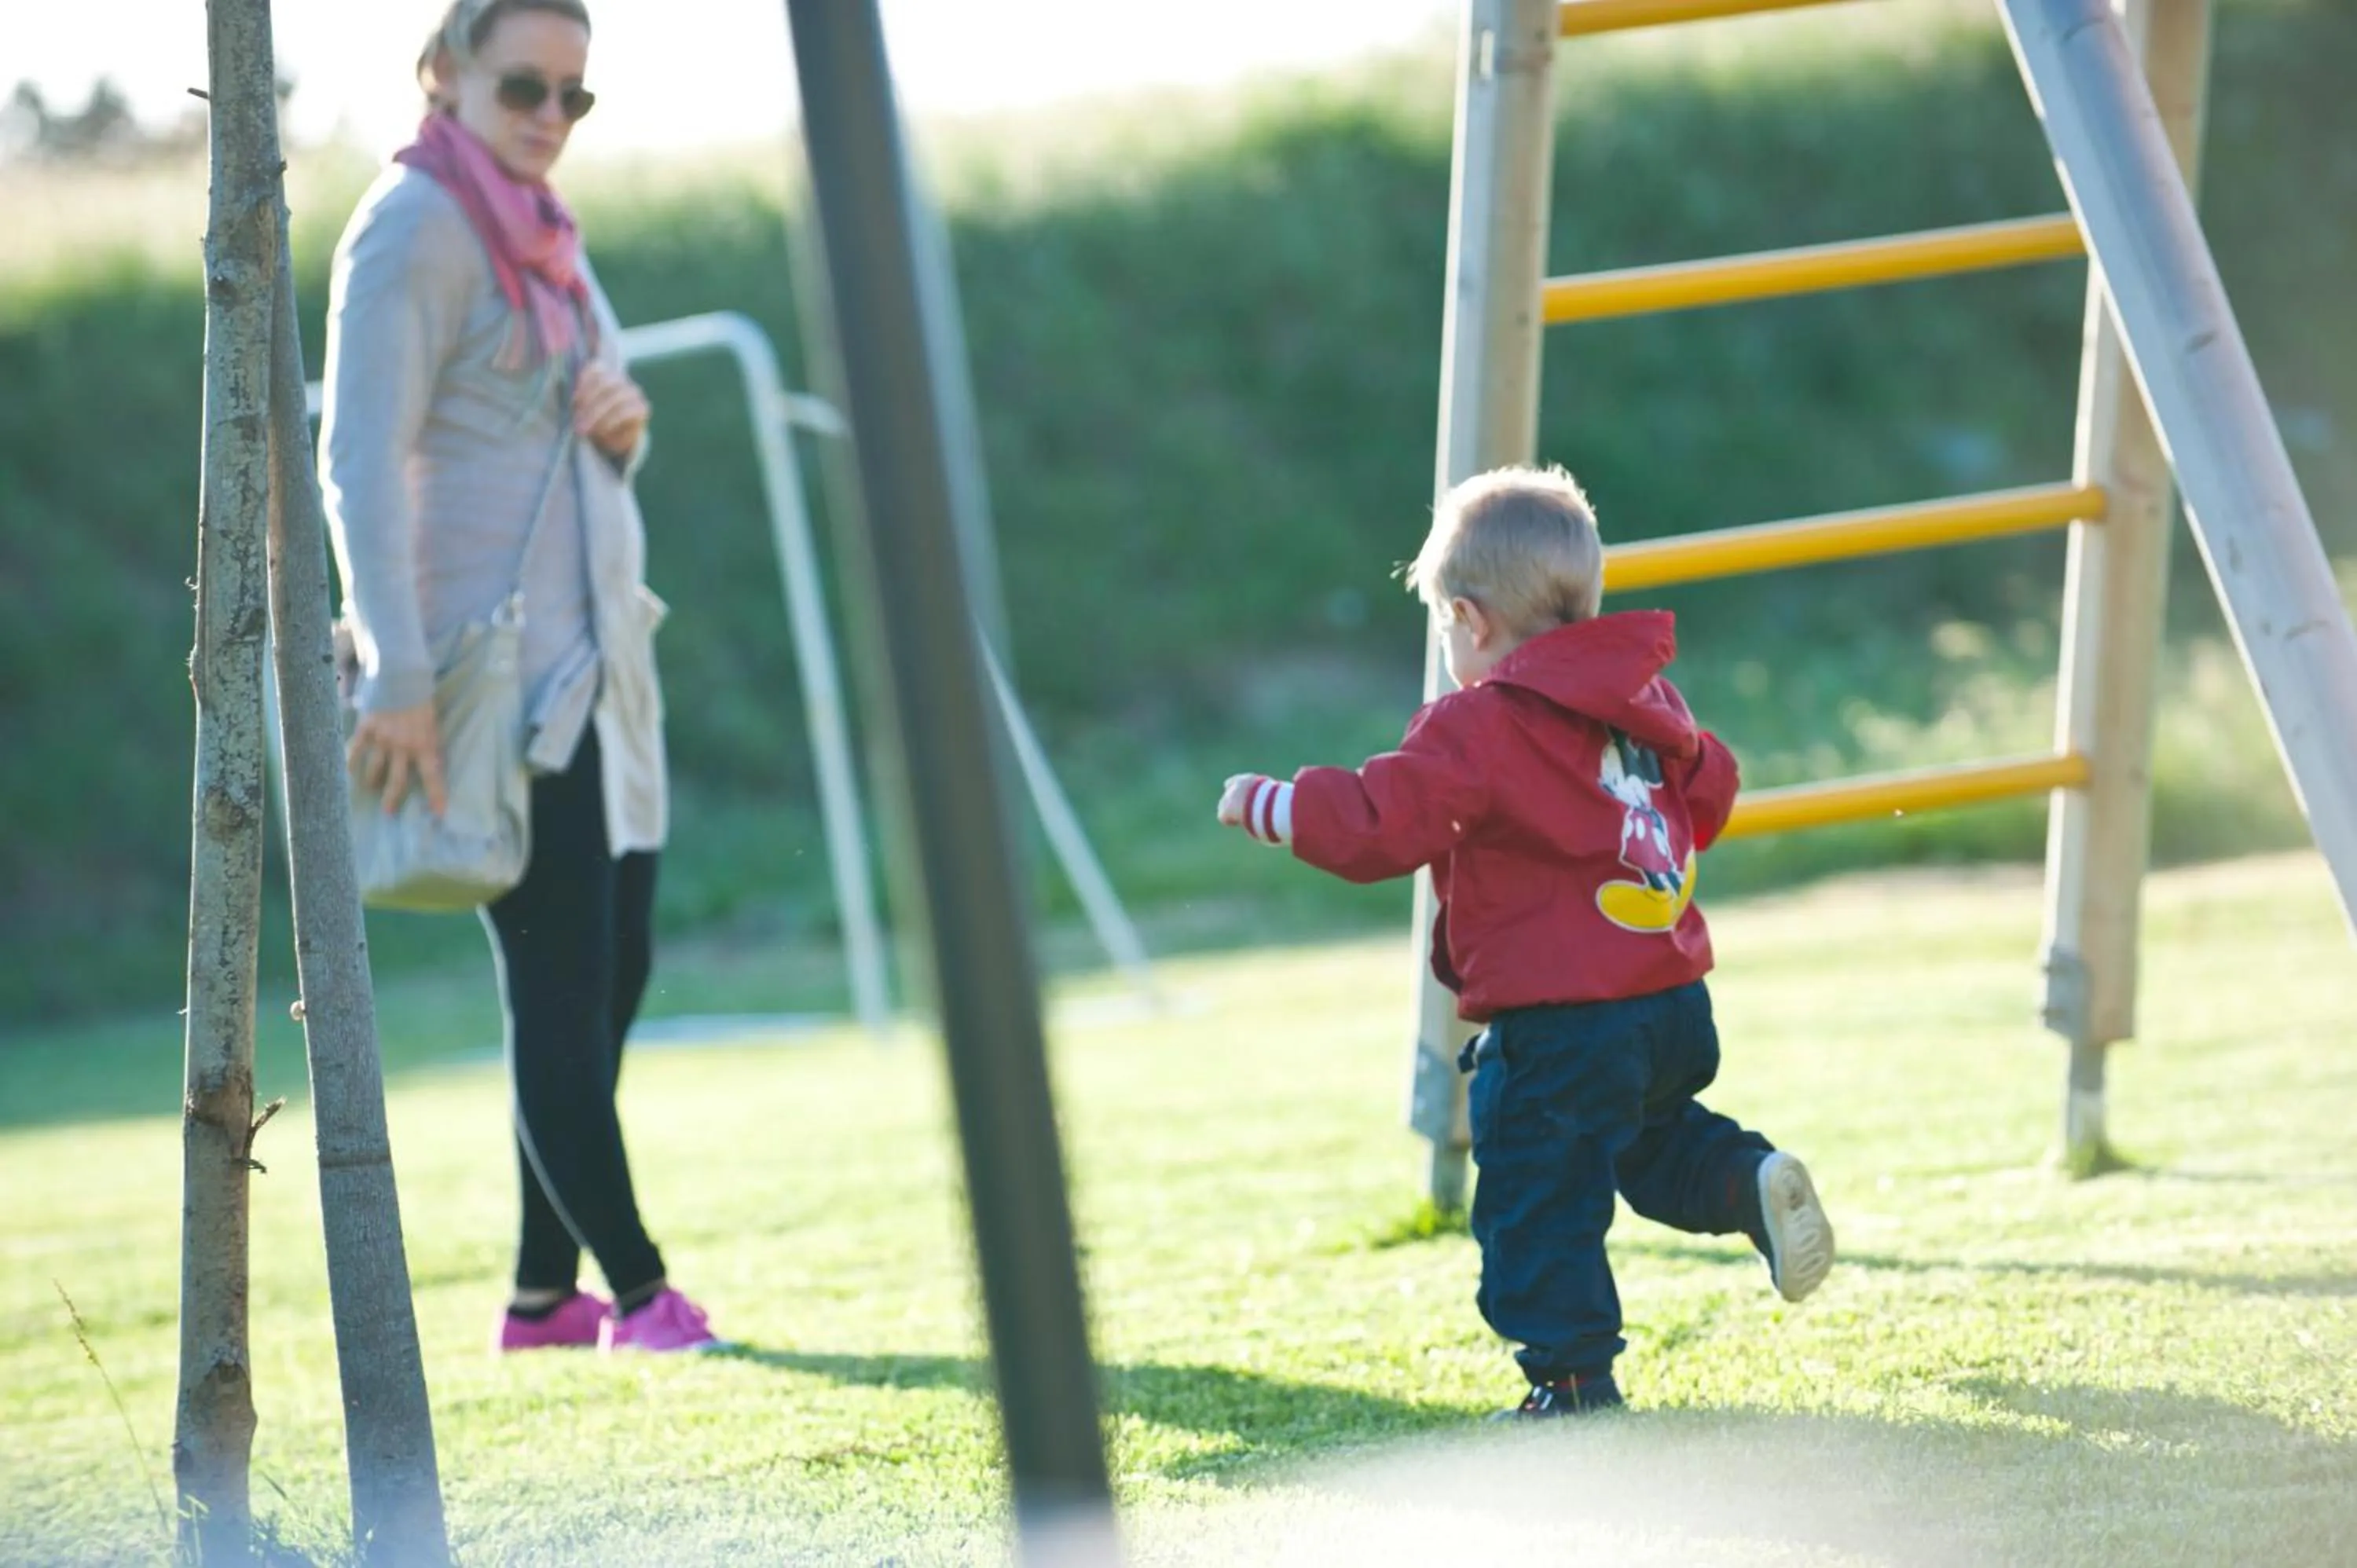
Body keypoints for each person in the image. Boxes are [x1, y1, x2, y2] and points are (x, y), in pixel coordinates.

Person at [1215, 465, 1833, 1416]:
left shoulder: (1483, 723)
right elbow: (1708, 798)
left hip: (1560, 1020)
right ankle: (1749, 1180)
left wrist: (1275, 804)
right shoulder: (1643, 701)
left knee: (1532, 1198)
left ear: (1470, 620)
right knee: (1649, 1141)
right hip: (1668, 1003)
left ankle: (1574, 1387)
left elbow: (1384, 820)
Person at [320, 0, 718, 1354]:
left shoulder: (546, 234)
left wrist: (627, 422)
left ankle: (543, 1302)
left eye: (575, 98)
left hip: (596, 667)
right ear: (444, 75)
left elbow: (582, 424)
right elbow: (356, 460)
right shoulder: (413, 228)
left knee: (614, 976)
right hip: (490, 687)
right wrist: (396, 668)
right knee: (558, 986)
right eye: (525, 88)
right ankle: (646, 1294)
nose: (550, 118)